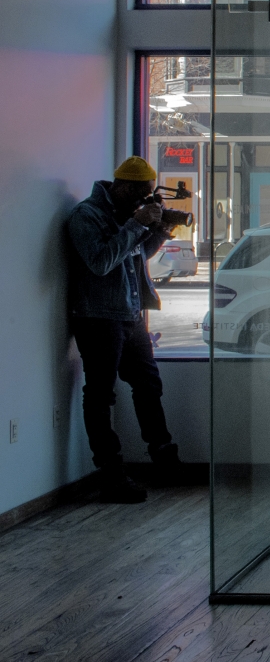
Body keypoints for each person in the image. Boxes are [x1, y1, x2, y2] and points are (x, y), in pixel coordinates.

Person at [67, 156, 182, 503]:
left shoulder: (124, 212)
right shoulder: (87, 215)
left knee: (148, 385)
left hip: (130, 314)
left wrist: (159, 230)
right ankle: (111, 475)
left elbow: (136, 255)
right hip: (98, 318)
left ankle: (164, 459)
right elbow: (101, 262)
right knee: (100, 395)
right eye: (141, 194)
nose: (143, 200)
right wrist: (135, 223)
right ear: (122, 187)